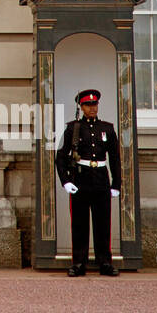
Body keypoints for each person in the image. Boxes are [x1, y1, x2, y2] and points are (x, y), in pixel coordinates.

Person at [56, 88, 121, 277]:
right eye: (88, 105)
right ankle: (78, 262)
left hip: (101, 177)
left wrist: (116, 184)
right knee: (80, 223)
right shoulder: (72, 128)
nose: (92, 108)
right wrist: (65, 181)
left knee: (103, 223)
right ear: (81, 107)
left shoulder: (107, 128)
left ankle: (105, 262)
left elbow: (115, 158)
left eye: (94, 104)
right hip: (81, 178)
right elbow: (60, 156)